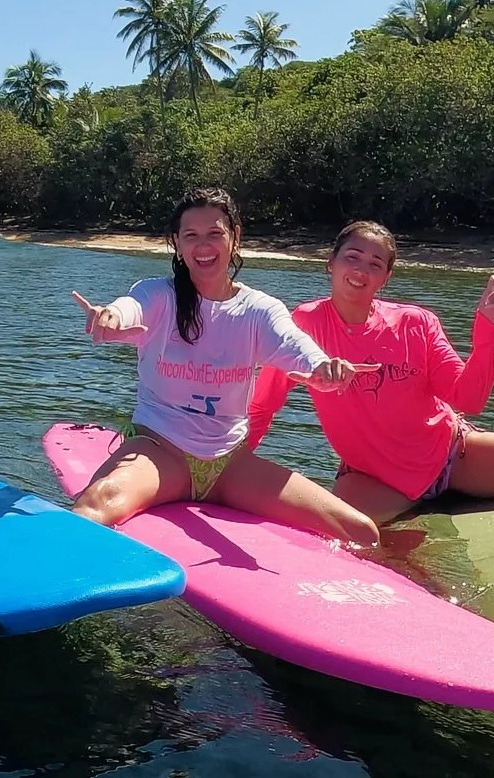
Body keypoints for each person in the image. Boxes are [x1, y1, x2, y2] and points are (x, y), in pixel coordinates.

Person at [68, 188, 381, 546]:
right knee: (96, 503)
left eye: (215, 234)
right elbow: (129, 308)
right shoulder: (158, 295)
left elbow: (294, 344)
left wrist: (323, 367)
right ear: (177, 245)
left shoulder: (258, 309)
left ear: (234, 238)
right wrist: (111, 316)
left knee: (361, 530)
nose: (204, 246)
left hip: (229, 464)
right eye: (192, 236)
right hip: (159, 453)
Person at [247, 220, 494, 523]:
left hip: (453, 457)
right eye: (353, 256)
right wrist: (230, 468)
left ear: (385, 277)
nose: (361, 270)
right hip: (371, 481)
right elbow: (262, 405)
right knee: (339, 541)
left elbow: (469, 399)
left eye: (375, 264)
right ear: (331, 263)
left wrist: (488, 331)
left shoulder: (415, 323)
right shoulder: (305, 324)